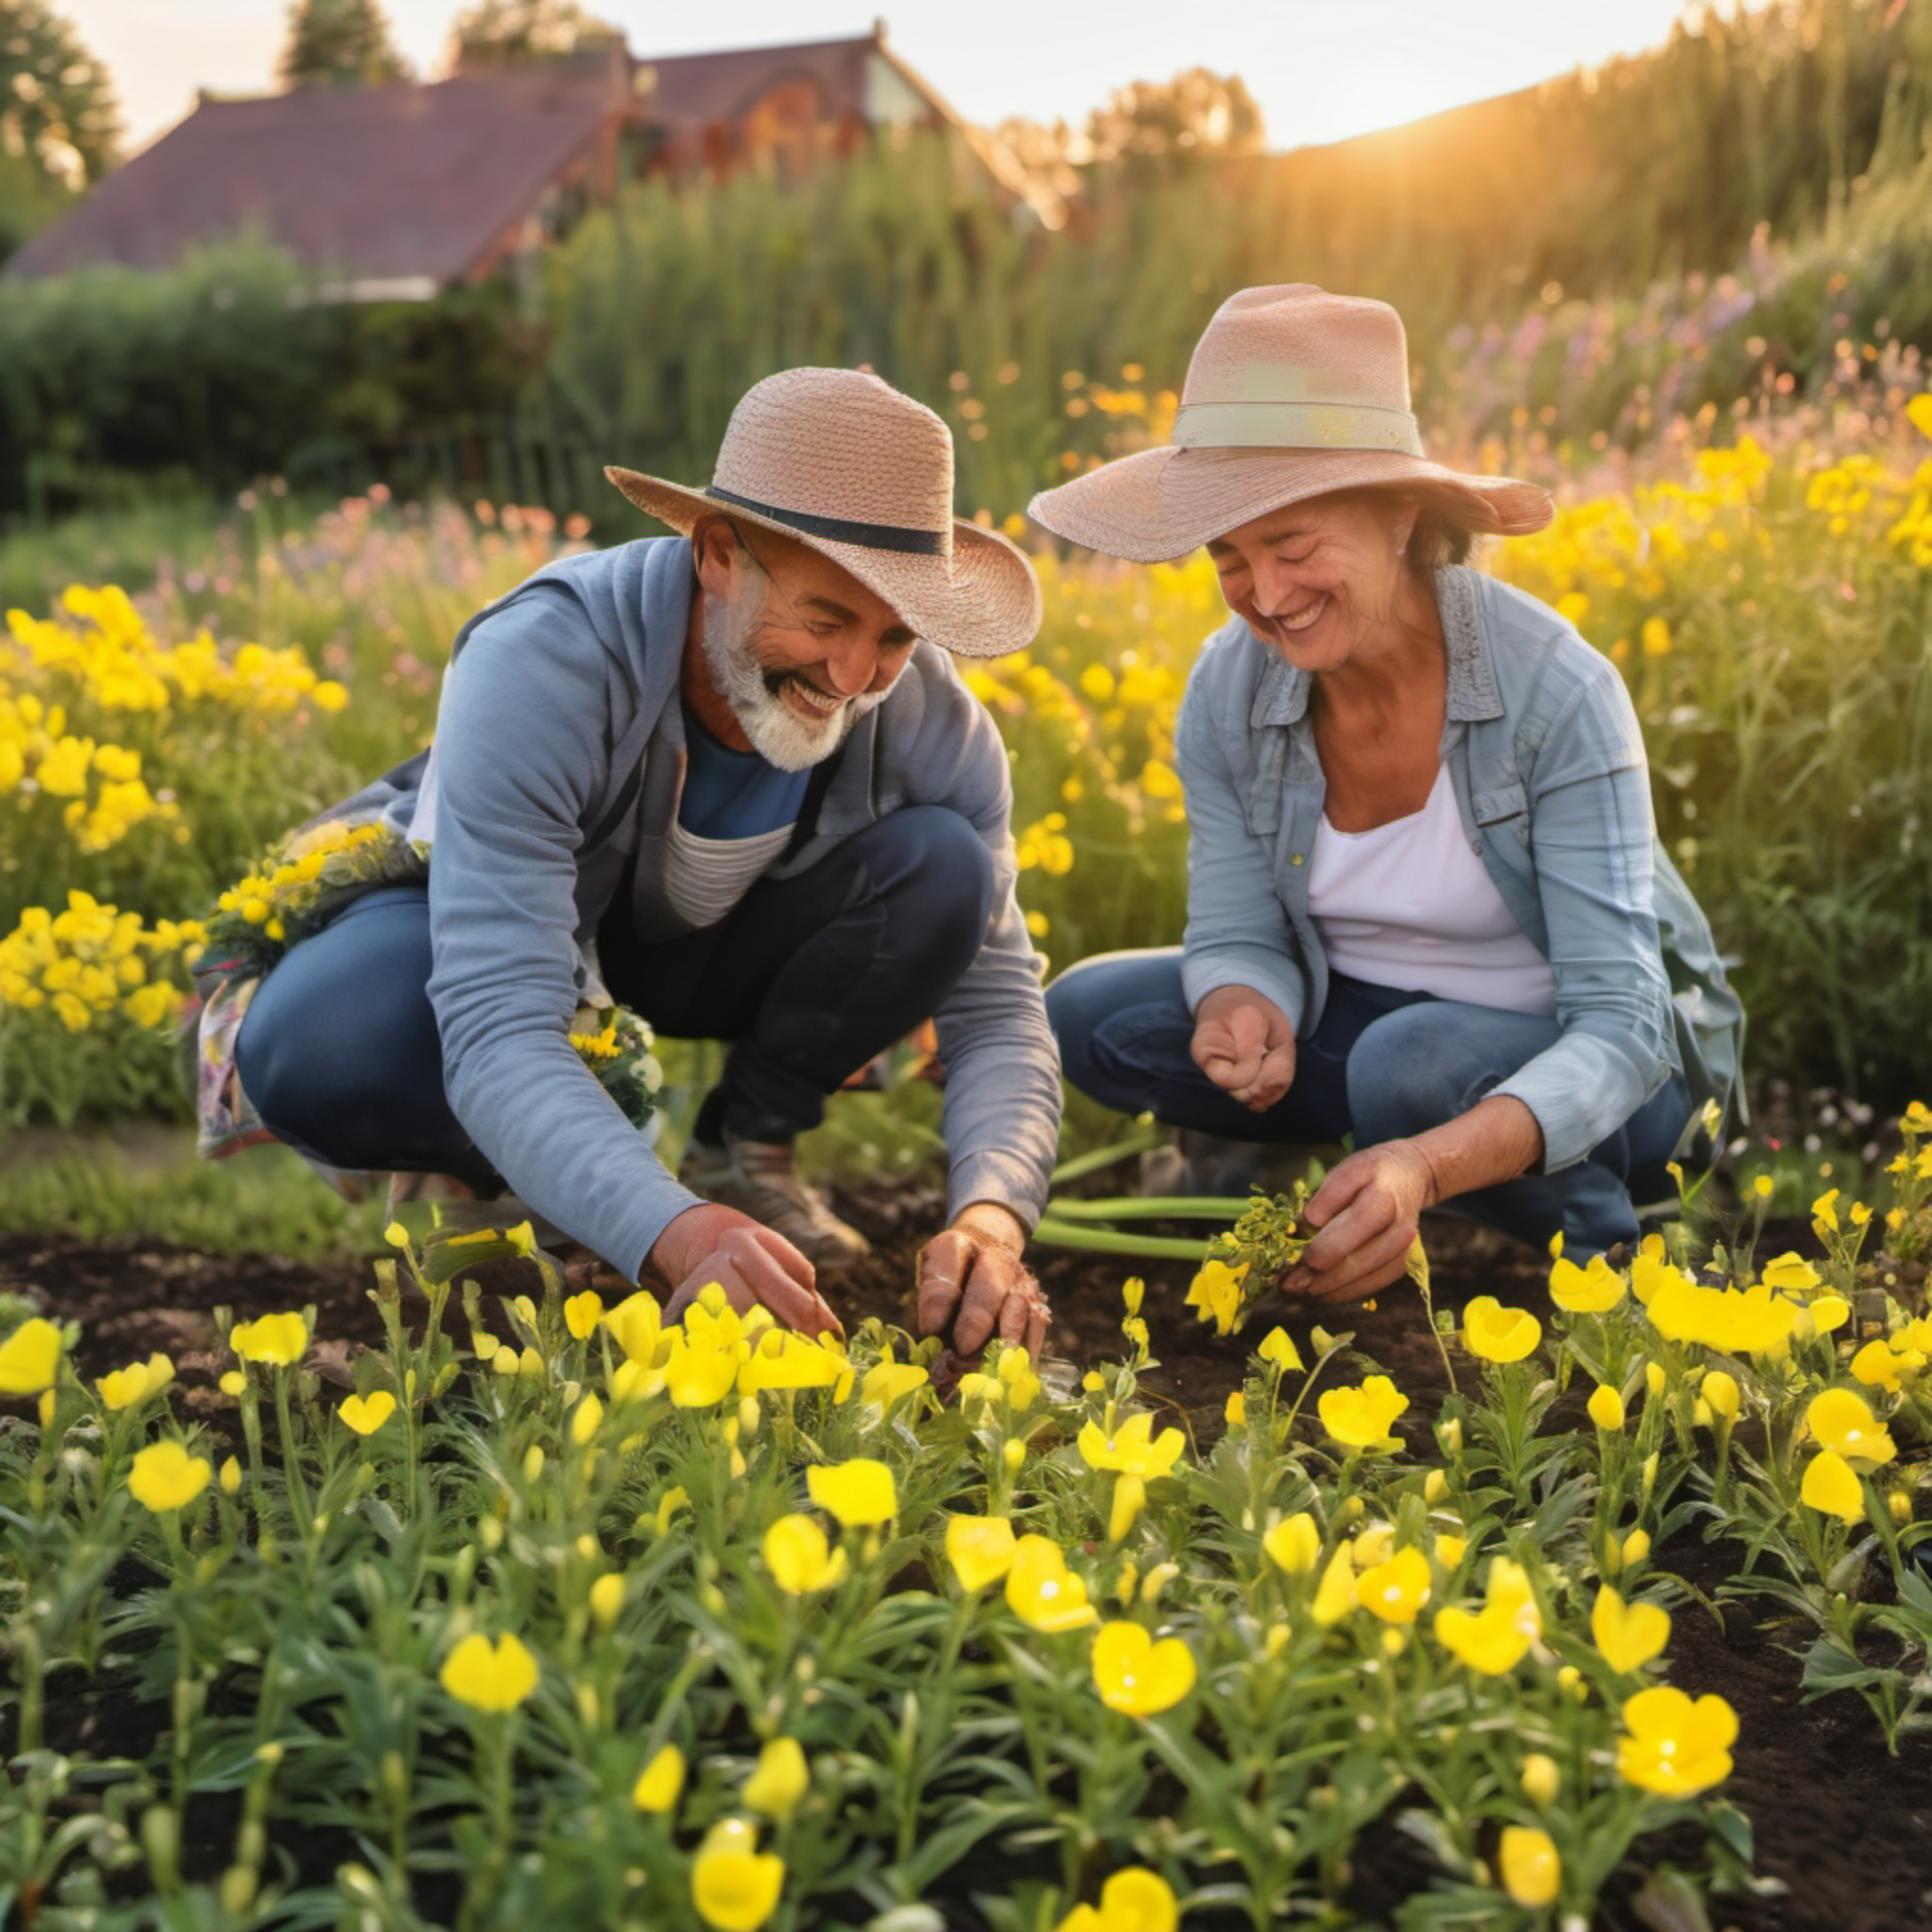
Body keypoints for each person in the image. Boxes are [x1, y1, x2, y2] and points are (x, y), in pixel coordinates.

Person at [207, 368, 1061, 1353]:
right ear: (716, 555)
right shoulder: (547, 658)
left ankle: (744, 1147)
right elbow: (494, 1016)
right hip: (516, 947)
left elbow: (998, 1004)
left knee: (943, 866)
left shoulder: (927, 717)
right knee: (331, 1040)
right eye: (825, 620)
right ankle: (507, 1180)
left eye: (895, 636)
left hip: (706, 950)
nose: (852, 677)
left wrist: (991, 1214)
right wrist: (666, 1231)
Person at [1028, 285, 1742, 1305]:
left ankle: (1601, 1256)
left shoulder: (1555, 689)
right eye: (1229, 558)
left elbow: (1620, 1022)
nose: (1265, 598)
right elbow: (1233, 927)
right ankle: (1338, 1156)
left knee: (1403, 1066)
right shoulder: (1227, 689)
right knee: (1088, 1014)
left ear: (1400, 516)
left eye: (1294, 546)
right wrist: (1243, 1003)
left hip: (1605, 1072)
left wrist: (1425, 1161)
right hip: (1363, 1026)